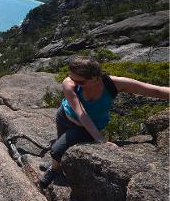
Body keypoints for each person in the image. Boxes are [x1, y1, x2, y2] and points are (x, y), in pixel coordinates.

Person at [39, 57, 170, 189]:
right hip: (64, 117)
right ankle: (56, 167)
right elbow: (80, 112)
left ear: (95, 77)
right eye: (71, 77)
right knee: (60, 146)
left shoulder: (113, 84)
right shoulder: (69, 83)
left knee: (57, 149)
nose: (72, 82)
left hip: (85, 127)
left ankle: (54, 169)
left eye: (79, 81)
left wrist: (99, 138)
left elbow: (155, 90)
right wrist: (100, 138)